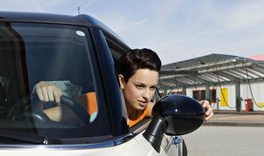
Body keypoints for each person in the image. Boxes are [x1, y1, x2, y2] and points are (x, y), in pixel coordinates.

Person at [34, 48, 213, 126]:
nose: (147, 96)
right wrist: (39, 91)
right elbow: (36, 120)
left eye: (152, 88)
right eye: (140, 86)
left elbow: (169, 108)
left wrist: (199, 107)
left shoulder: (147, 109)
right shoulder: (92, 102)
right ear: (121, 81)